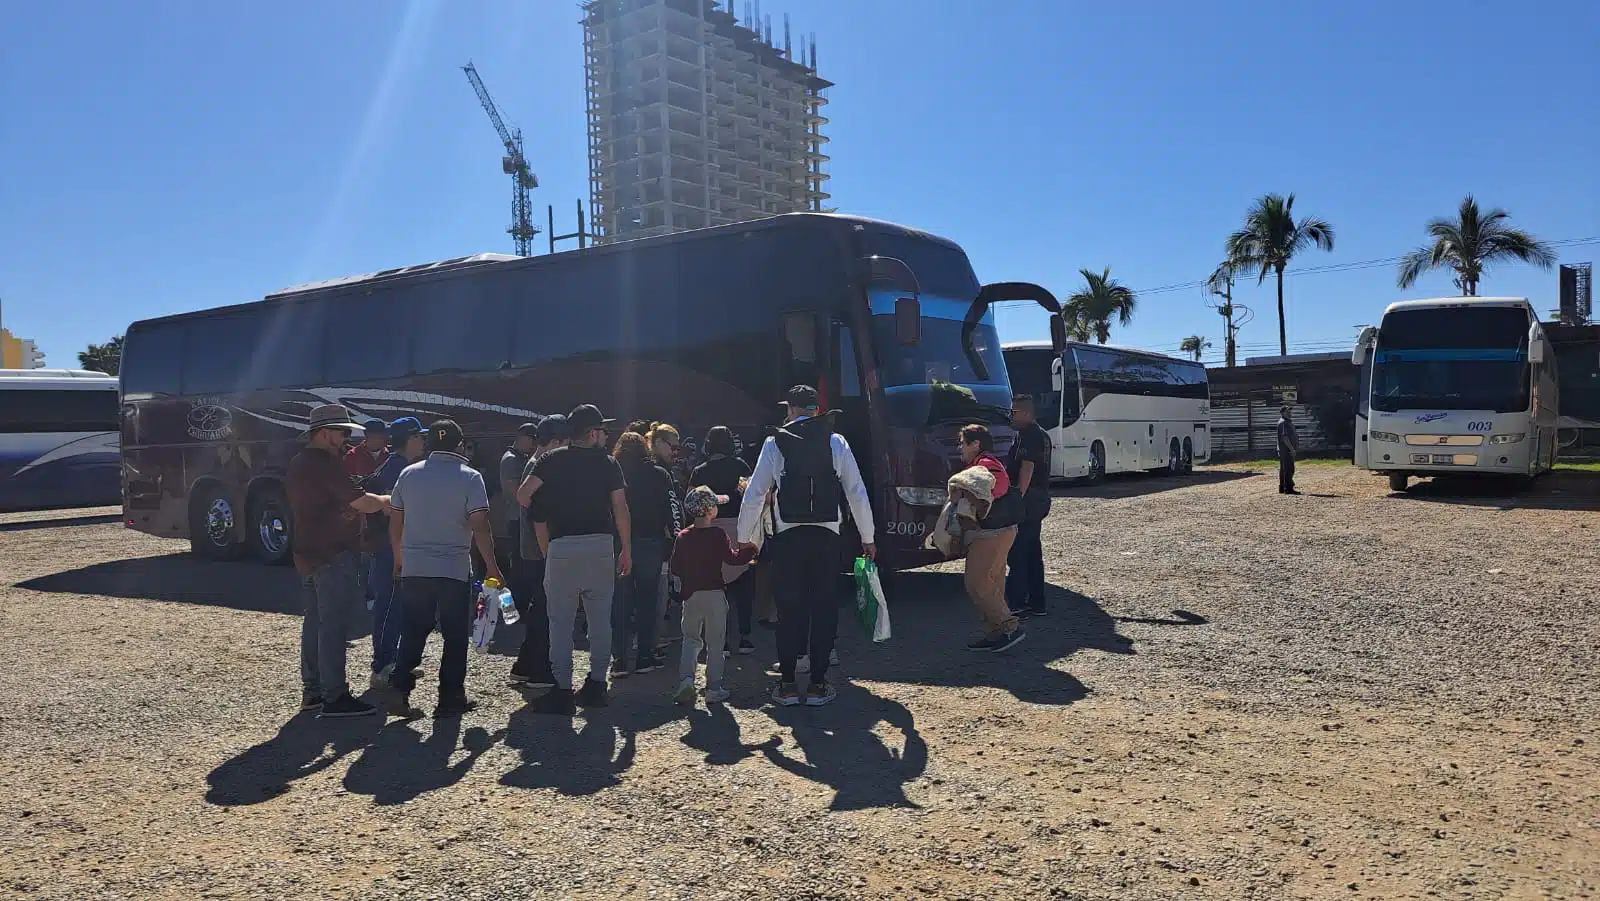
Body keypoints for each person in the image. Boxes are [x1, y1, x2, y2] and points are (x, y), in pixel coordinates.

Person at [737, 385, 875, 708]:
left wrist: (745, 538)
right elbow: (856, 490)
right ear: (817, 409)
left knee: (789, 608)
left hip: (787, 538)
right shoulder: (836, 441)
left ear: (792, 410)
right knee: (824, 606)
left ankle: (786, 685)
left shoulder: (775, 442)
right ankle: (818, 684)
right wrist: (868, 536)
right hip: (827, 536)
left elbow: (756, 492)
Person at [516, 404, 632, 715]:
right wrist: (626, 549)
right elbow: (620, 507)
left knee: (561, 621)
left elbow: (523, 495)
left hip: (563, 546)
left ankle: (563, 689)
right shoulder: (608, 464)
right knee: (599, 620)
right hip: (601, 545)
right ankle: (597, 684)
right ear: (592, 433)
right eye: (603, 431)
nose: (606, 436)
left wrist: (544, 504)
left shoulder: (552, 460)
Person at [384, 420, 502, 719]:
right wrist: (492, 565)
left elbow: (396, 522)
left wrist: (399, 559)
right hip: (453, 568)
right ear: (460, 445)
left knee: (413, 631)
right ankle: (450, 698)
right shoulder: (471, 478)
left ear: (427, 445)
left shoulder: (408, 475)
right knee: (454, 635)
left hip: (414, 567)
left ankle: (399, 690)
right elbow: (481, 526)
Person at [287, 404, 392, 718]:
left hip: (307, 550)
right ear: (323, 434)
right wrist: (389, 501)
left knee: (315, 620)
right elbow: (360, 500)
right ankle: (335, 696)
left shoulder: (299, 462)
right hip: (332, 551)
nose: (347, 437)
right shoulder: (325, 464)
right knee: (333, 625)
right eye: (341, 431)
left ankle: (313, 691)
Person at [670, 486, 757, 705]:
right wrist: (751, 550)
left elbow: (676, 567)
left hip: (691, 595)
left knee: (690, 639)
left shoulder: (683, 537)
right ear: (710, 511)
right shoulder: (718, 534)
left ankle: (687, 681)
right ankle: (713, 687)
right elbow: (732, 559)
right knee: (716, 643)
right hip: (715, 594)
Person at [610, 431, 677, 676]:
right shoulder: (659, 474)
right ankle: (644, 656)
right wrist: (674, 541)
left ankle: (619, 659)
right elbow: (672, 509)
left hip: (619, 544)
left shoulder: (613, 471)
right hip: (651, 542)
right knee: (648, 600)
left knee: (619, 602)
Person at [509, 414, 569, 689]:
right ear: (555, 441)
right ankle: (538, 669)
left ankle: (524, 665)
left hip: (533, 549)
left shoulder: (536, 464)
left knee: (539, 608)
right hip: (539, 550)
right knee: (545, 610)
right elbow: (539, 517)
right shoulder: (540, 468)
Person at [956, 423, 1027, 653]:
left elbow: (998, 486)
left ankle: (1009, 627)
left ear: (975, 444)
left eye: (962, 443)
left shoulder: (984, 465)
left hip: (991, 533)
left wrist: (974, 497)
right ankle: (994, 632)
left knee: (977, 582)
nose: (960, 448)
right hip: (1001, 531)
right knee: (994, 582)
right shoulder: (987, 463)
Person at [366, 416, 424, 689]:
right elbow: (392, 514)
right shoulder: (397, 471)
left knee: (400, 605)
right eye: (419, 437)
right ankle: (382, 666)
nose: (423, 442)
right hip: (390, 546)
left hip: (398, 544)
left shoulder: (402, 467)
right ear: (409, 440)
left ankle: (394, 660)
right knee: (388, 606)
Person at [691, 426, 755, 656]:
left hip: (710, 530)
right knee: (743, 581)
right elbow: (750, 496)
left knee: (715, 585)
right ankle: (746, 636)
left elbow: (692, 502)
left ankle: (721, 640)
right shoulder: (741, 466)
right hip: (739, 528)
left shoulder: (699, 471)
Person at [1004, 395, 1053, 618]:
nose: (1010, 416)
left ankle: (1016, 602)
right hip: (1039, 498)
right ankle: (1037, 601)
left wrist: (1017, 498)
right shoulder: (1042, 434)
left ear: (1026, 413)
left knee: (1018, 553)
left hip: (1029, 499)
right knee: (1033, 552)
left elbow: (1027, 467)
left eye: (1014, 412)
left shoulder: (1028, 435)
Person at [496, 422, 539, 582]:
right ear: (521, 437)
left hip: (522, 518)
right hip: (516, 519)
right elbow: (515, 492)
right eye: (531, 439)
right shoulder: (511, 460)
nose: (533, 444)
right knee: (519, 563)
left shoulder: (522, 458)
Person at [1277, 406, 1301, 495]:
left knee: (1284, 469)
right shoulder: (1284, 423)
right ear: (1283, 413)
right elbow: (1285, 437)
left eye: (1290, 412)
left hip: (1285, 450)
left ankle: (1282, 488)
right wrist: (1292, 449)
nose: (1290, 413)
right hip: (1286, 450)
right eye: (1287, 412)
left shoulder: (1286, 422)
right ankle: (1288, 488)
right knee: (1289, 469)